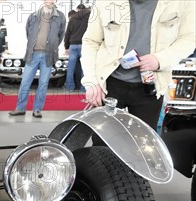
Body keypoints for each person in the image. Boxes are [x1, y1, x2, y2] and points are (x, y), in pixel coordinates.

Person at [82, 0, 195, 131]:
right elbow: (91, 41)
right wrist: (92, 81)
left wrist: (159, 60)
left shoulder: (184, 2)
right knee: (103, 142)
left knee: (144, 144)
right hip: (108, 83)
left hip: (151, 86)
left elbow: (189, 39)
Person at [8, 0, 65, 118]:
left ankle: (37, 109)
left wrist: (52, 46)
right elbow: (28, 33)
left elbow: (60, 35)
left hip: (48, 56)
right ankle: (20, 108)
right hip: (32, 54)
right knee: (25, 82)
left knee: (43, 84)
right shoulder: (33, 16)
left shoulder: (60, 17)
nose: (48, 1)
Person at [63, 4, 89, 91]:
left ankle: (69, 87)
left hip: (73, 45)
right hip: (85, 45)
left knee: (70, 67)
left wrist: (66, 47)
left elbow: (67, 33)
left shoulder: (73, 17)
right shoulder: (89, 17)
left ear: (77, 9)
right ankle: (83, 87)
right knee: (84, 68)